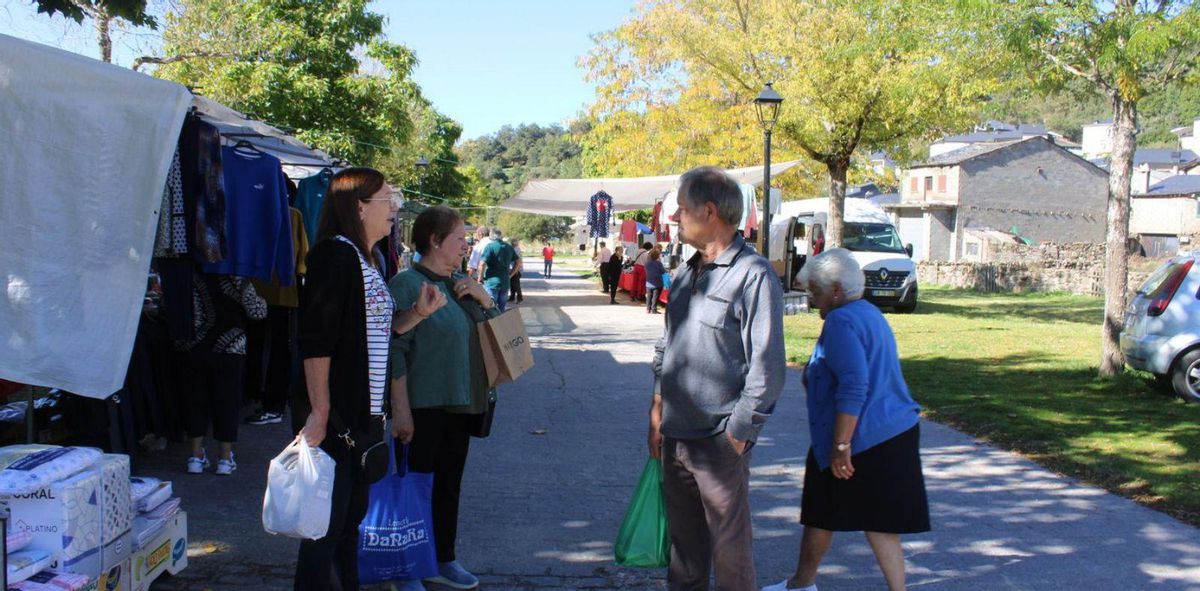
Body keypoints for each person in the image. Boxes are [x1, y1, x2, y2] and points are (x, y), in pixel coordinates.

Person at [293, 168, 445, 591]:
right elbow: (316, 342)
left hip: (361, 417)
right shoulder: (333, 255)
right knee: (324, 531)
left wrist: (417, 314)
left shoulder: (369, 258)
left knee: (348, 525)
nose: (395, 208)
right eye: (387, 200)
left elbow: (374, 333)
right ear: (359, 207)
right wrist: (320, 412)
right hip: (337, 418)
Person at [648, 166, 785, 591]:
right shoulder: (689, 271)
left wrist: (737, 435)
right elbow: (667, 347)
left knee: (731, 561)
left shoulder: (753, 274)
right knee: (685, 556)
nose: (674, 219)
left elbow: (767, 368)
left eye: (681, 210)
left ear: (709, 211)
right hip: (675, 435)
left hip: (719, 440)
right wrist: (656, 409)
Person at [763, 248, 928, 591]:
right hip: (894, 431)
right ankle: (807, 583)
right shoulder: (868, 312)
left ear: (836, 290)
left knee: (822, 511)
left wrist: (841, 445)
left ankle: (801, 585)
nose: (812, 300)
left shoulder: (841, 320)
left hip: (863, 437)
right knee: (875, 521)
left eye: (816, 291)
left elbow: (854, 384)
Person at [389, 205, 496, 591]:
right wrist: (400, 410)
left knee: (448, 487)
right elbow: (394, 350)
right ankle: (406, 567)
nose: (466, 244)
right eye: (458, 237)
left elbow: (500, 337)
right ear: (434, 241)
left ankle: (442, 558)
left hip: (462, 404)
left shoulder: (462, 283)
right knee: (415, 487)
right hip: (424, 407)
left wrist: (485, 299)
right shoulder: (407, 284)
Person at [179, 272, 266, 475]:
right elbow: (258, 311)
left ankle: (195, 455)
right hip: (230, 346)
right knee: (227, 401)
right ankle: (225, 459)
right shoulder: (237, 277)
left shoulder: (189, 275)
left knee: (195, 399)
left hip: (195, 345)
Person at [477, 228, 516, 312]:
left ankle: (492, 324)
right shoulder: (509, 247)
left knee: (491, 309)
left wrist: (480, 278)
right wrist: (511, 274)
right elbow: (519, 262)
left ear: (491, 236)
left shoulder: (490, 247)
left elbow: (482, 264)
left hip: (491, 282)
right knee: (502, 308)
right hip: (505, 282)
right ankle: (501, 323)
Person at [643, 247, 666, 314]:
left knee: (649, 296)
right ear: (657, 256)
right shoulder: (659, 263)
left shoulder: (647, 263)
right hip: (657, 283)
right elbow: (663, 272)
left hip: (648, 282)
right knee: (655, 297)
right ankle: (653, 309)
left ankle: (648, 309)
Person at [509, 238, 524, 304]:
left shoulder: (516, 249)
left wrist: (516, 270)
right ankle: (512, 297)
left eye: (513, 242)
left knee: (516, 285)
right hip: (513, 269)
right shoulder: (514, 249)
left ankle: (519, 298)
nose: (512, 243)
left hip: (516, 270)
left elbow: (517, 261)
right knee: (512, 284)